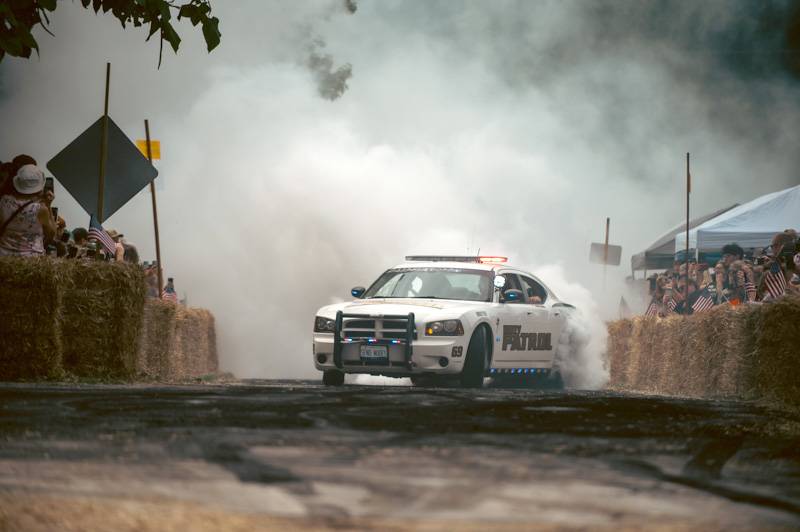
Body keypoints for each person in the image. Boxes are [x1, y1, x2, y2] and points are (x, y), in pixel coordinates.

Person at [0, 165, 57, 256]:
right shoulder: (40, 209)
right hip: (29, 260)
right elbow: (52, 234)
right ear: (40, 187)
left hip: (3, 256)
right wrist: (48, 205)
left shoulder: (4, 201)